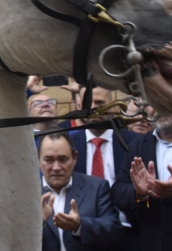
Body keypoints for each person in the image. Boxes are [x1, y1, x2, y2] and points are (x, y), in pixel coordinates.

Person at [69, 87, 140, 248]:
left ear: (113, 106)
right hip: (82, 234)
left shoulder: (134, 143)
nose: (94, 108)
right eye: (89, 103)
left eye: (100, 103)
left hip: (127, 233)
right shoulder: (69, 146)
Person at [111, 111, 172, 251]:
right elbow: (118, 191)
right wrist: (139, 193)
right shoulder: (137, 145)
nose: (158, 109)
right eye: (153, 103)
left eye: (163, 102)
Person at [38, 132, 122, 251]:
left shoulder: (97, 187)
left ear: (75, 158)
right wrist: (37, 222)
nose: (56, 167)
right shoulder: (26, 193)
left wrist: (80, 225)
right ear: (38, 160)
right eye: (48, 160)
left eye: (63, 159)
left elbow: (114, 231)